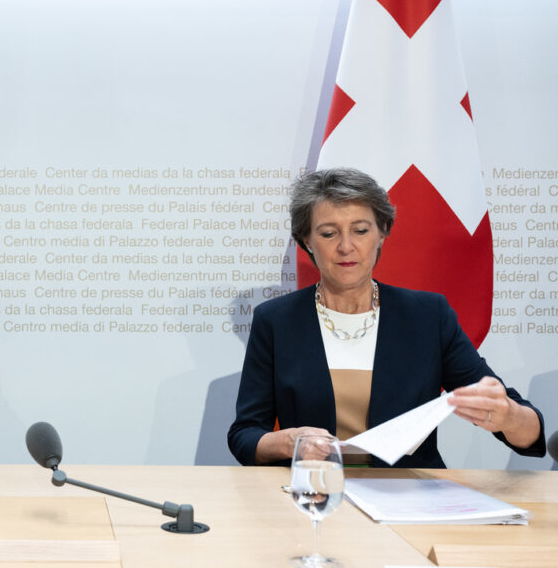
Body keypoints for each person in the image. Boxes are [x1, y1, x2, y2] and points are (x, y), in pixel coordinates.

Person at [228, 168, 545, 468]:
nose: (346, 246)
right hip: (316, 490)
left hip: (411, 494)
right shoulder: (276, 320)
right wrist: (290, 443)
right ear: (307, 241)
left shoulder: (427, 316)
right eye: (328, 233)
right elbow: (245, 435)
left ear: (381, 234)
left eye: (360, 230)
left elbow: (527, 430)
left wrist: (508, 417)